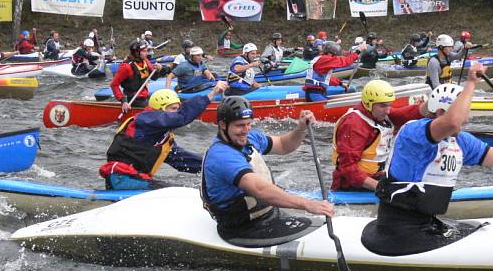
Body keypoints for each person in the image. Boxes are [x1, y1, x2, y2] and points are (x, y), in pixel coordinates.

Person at [361, 64, 493, 256]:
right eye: (463, 113)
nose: (466, 119)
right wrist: (471, 83)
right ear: (441, 112)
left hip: (426, 223)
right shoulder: (413, 132)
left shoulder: (460, 140)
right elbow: (452, 122)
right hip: (396, 231)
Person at [200, 96, 334, 247]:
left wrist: (301, 128)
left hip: (265, 215)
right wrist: (308, 205)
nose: (245, 130)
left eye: (248, 124)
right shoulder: (222, 156)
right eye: (239, 125)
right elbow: (260, 190)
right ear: (223, 125)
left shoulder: (249, 138)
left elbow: (284, 145)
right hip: (242, 227)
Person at [99, 82, 228, 190]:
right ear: (160, 109)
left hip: (135, 178)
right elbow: (181, 117)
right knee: (176, 194)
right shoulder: (146, 120)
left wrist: (215, 165)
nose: (176, 113)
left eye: (178, 109)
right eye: (173, 109)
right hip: (121, 178)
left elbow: (180, 160)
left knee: (184, 190)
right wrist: (212, 94)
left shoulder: (161, 136)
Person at [331, 80, 429, 191]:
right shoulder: (353, 124)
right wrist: (381, 188)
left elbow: (406, 114)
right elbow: (347, 168)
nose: (388, 111)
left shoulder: (378, 113)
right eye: (383, 106)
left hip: (375, 176)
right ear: (368, 104)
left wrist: (432, 103)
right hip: (351, 185)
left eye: (389, 105)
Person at [111, 40, 168, 113]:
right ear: (136, 52)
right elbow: (114, 85)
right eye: (144, 51)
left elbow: (154, 78)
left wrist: (159, 70)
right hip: (132, 99)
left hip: (144, 97)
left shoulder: (145, 61)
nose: (146, 53)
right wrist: (123, 101)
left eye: (146, 51)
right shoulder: (126, 67)